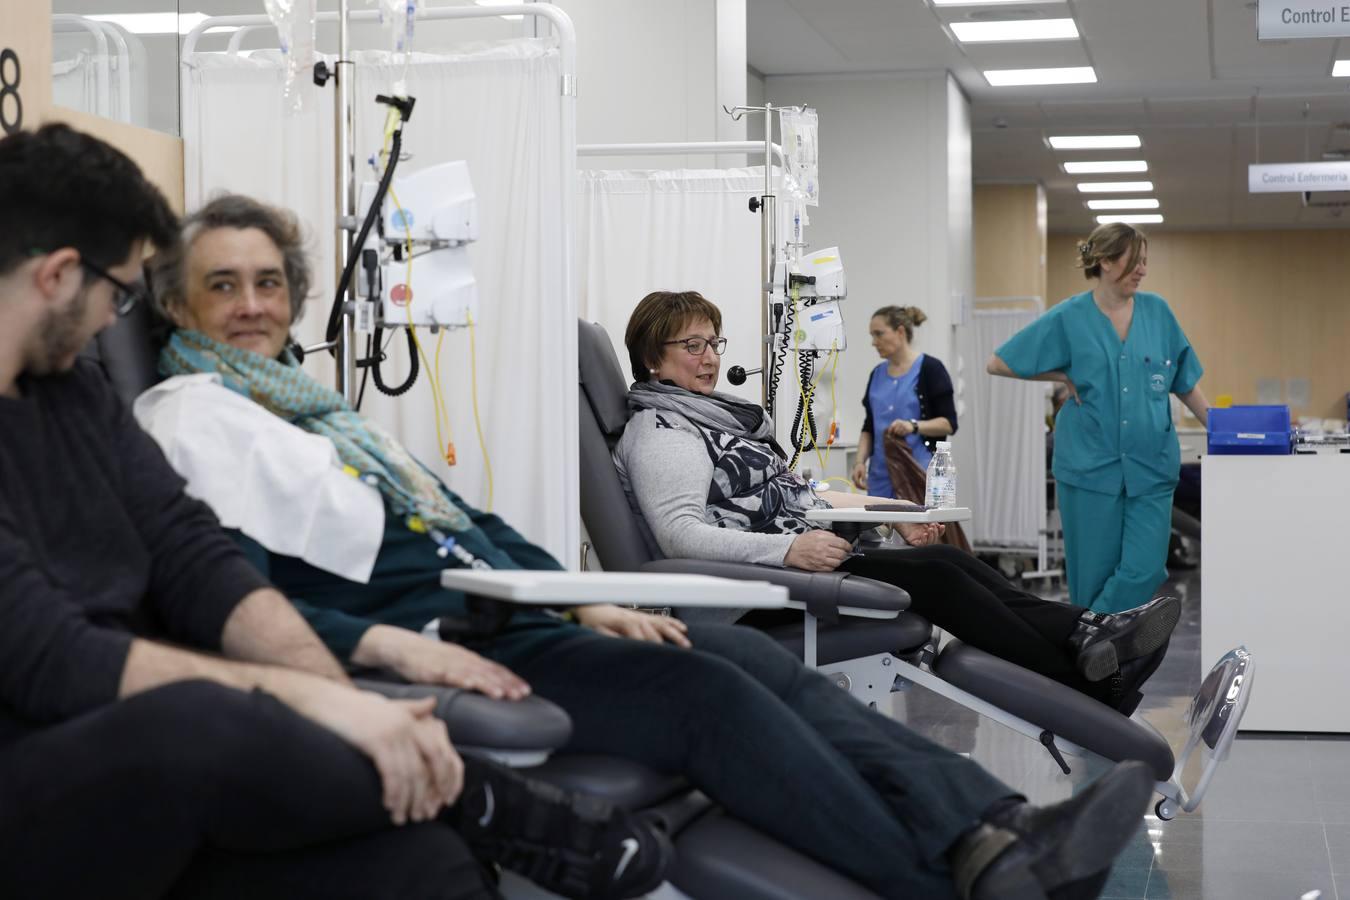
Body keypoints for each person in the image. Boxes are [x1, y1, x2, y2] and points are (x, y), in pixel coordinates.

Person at [139, 193, 1156, 900]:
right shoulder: (188, 419)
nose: (253, 305)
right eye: (222, 286)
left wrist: (583, 598)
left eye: (269, 282)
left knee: (753, 661)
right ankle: (944, 880)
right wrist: (394, 651)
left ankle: (997, 834)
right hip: (445, 646)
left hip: (509, 614)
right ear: (177, 306)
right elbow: (222, 598)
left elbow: (473, 528)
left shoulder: (318, 414)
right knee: (706, 698)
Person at [0, 124, 667, 900]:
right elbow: (51, 659)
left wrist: (348, 706)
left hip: (154, 767)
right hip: (39, 766)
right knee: (199, 716)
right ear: (55, 275)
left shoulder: (71, 396)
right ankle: (478, 799)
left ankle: (456, 815)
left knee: (423, 866)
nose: (112, 323)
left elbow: (193, 557)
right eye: (117, 296)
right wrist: (312, 704)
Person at [614, 290, 1179, 714]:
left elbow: (795, 495)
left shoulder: (717, 417)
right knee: (941, 581)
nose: (710, 356)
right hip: (749, 593)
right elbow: (678, 535)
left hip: (791, 563)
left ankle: (1091, 639)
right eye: (692, 345)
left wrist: (888, 518)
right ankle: (1090, 671)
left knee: (951, 562)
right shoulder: (663, 428)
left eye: (714, 341)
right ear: (652, 358)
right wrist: (788, 552)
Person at [988, 224, 1209, 614]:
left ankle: (1085, 638)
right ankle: (1099, 662)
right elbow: (999, 362)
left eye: (1145, 261)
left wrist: (1222, 430)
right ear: (1105, 261)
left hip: (1151, 465)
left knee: (1145, 569)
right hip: (1089, 467)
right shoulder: (1070, 316)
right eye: (1134, 260)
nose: (1142, 269)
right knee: (1091, 579)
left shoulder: (1157, 312)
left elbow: (1185, 381)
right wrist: (1062, 373)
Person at [852, 305, 955, 496]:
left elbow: (948, 423)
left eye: (879, 334)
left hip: (920, 474)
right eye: (872, 336)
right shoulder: (877, 374)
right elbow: (869, 426)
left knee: (924, 526)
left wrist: (913, 426)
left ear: (900, 332)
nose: (874, 342)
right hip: (881, 477)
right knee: (880, 526)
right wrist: (859, 461)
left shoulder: (931, 369)